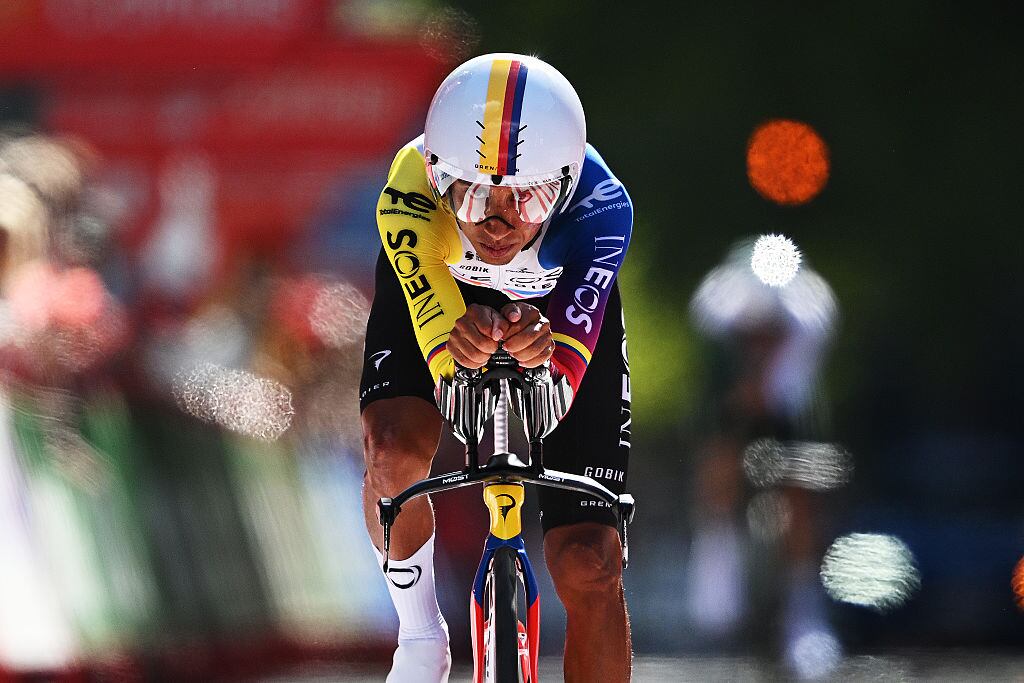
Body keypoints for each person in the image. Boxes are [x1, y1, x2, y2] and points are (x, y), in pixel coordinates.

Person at [358, 53, 634, 682]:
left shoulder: (602, 209)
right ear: (436, 175)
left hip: (557, 310)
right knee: (394, 454)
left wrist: (555, 349)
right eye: (475, 193)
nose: (499, 221)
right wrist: (456, 353)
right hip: (441, 296)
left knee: (589, 561)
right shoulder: (406, 192)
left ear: (563, 186)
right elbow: (443, 360)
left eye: (530, 198)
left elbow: (560, 389)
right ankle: (421, 635)